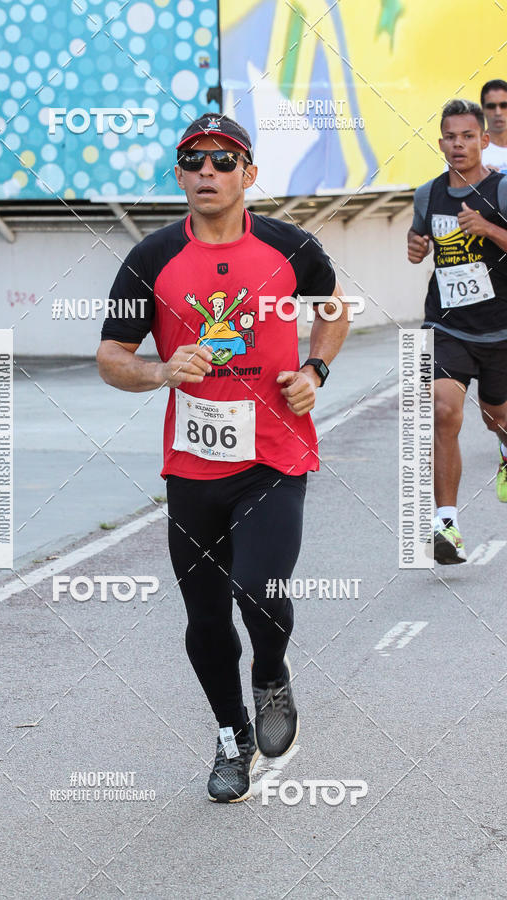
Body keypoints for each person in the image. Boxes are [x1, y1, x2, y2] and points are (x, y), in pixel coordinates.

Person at [97, 113, 349, 802]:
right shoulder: (148, 260)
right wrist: (159, 372)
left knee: (259, 590)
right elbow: (111, 357)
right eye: (193, 160)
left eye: (222, 160)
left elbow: (333, 311)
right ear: (179, 174)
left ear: (248, 174)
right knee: (205, 619)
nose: (207, 171)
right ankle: (231, 735)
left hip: (274, 453)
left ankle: (271, 671)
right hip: (192, 467)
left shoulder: (291, 247)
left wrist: (315, 371)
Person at [408, 99, 507, 565]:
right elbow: (420, 240)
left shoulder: (501, 191)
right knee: (444, 411)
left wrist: (487, 227)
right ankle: (444, 525)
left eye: (468, 136)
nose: (458, 144)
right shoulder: (427, 195)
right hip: (445, 326)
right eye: (450, 136)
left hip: (500, 330)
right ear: (441, 141)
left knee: (496, 417)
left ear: (484, 140)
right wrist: (416, 245)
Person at [481, 79, 507, 173]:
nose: (498, 112)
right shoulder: (467, 150)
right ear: (482, 110)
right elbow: (447, 187)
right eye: (491, 106)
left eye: (504, 105)